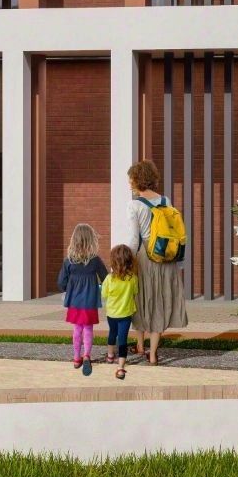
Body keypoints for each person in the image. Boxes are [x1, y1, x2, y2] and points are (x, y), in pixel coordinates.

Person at [127, 159, 188, 365]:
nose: (129, 183)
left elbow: (133, 239)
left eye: (131, 179)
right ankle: (152, 353)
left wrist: (125, 261)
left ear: (138, 180)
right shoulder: (165, 200)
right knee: (160, 302)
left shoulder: (134, 205)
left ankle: (140, 345)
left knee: (141, 300)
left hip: (145, 257)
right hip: (165, 257)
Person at [57, 223, 108, 376]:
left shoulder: (68, 261)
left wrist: (69, 288)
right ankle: (87, 355)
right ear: (91, 240)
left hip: (74, 302)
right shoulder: (95, 260)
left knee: (77, 328)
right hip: (90, 301)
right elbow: (106, 278)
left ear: (74, 240)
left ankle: (76, 358)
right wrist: (99, 288)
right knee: (88, 328)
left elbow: (61, 283)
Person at [101, 244, 138, 380]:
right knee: (123, 339)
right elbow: (135, 292)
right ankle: (121, 367)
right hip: (126, 314)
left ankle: (110, 356)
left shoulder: (109, 278)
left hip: (112, 314)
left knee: (112, 333)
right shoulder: (133, 278)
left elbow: (104, 294)